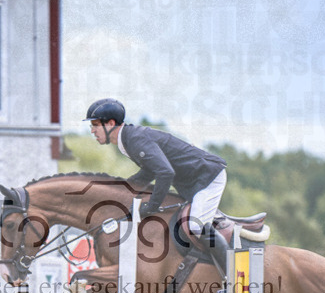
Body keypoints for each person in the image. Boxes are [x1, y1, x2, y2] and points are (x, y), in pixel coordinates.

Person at [83, 97, 231, 283]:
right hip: (191, 181)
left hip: (208, 176)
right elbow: (148, 172)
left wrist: (152, 205)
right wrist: (122, 190)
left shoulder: (135, 139)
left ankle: (232, 277)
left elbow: (165, 173)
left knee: (196, 225)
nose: (92, 131)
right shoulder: (128, 140)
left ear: (111, 123)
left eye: (95, 125)